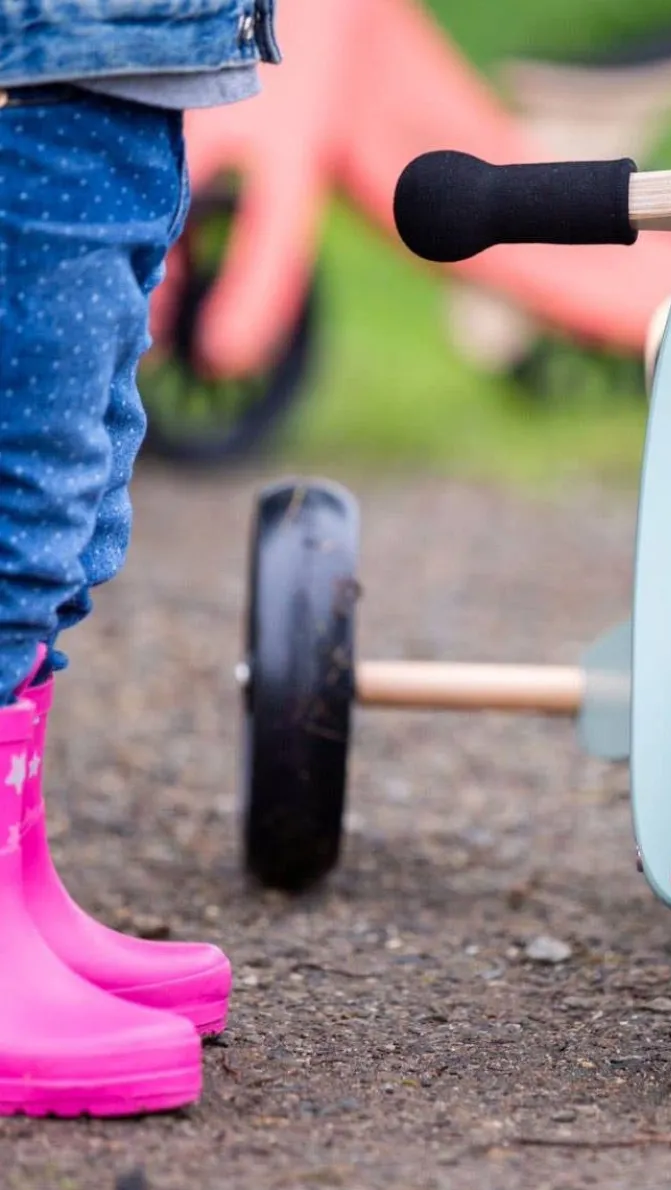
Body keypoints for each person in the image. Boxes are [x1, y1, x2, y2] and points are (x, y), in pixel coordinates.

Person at [0, 2, 280, 1119]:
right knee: (23, 482)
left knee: (77, 468)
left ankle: (16, 881)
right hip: (41, 55)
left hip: (127, 52)